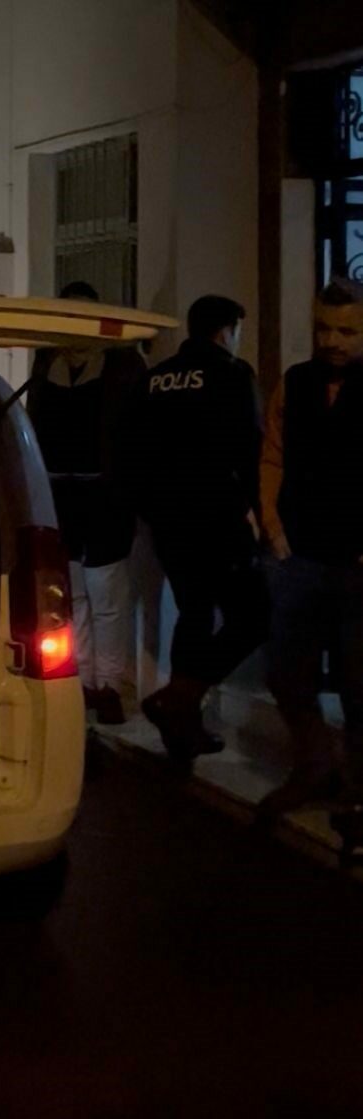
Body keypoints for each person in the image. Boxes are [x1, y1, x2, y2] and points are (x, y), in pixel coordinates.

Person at [130, 295, 268, 760]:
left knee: (195, 613)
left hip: (168, 523)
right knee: (253, 616)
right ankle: (178, 699)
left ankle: (181, 726)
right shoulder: (232, 374)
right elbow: (250, 451)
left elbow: (134, 452)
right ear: (226, 330)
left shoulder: (155, 380)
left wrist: (151, 509)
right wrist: (261, 516)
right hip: (218, 519)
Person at [258, 279, 363, 820]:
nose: (332, 340)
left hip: (357, 562)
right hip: (298, 554)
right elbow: (272, 456)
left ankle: (357, 790)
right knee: (286, 672)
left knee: (359, 684)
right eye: (324, 328)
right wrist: (273, 526)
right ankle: (316, 765)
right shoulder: (296, 382)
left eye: (346, 330)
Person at [27, 281, 145, 724]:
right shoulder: (47, 362)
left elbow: (133, 430)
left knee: (106, 589)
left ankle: (109, 685)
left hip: (105, 493)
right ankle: (83, 682)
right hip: (61, 492)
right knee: (73, 591)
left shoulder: (122, 364)